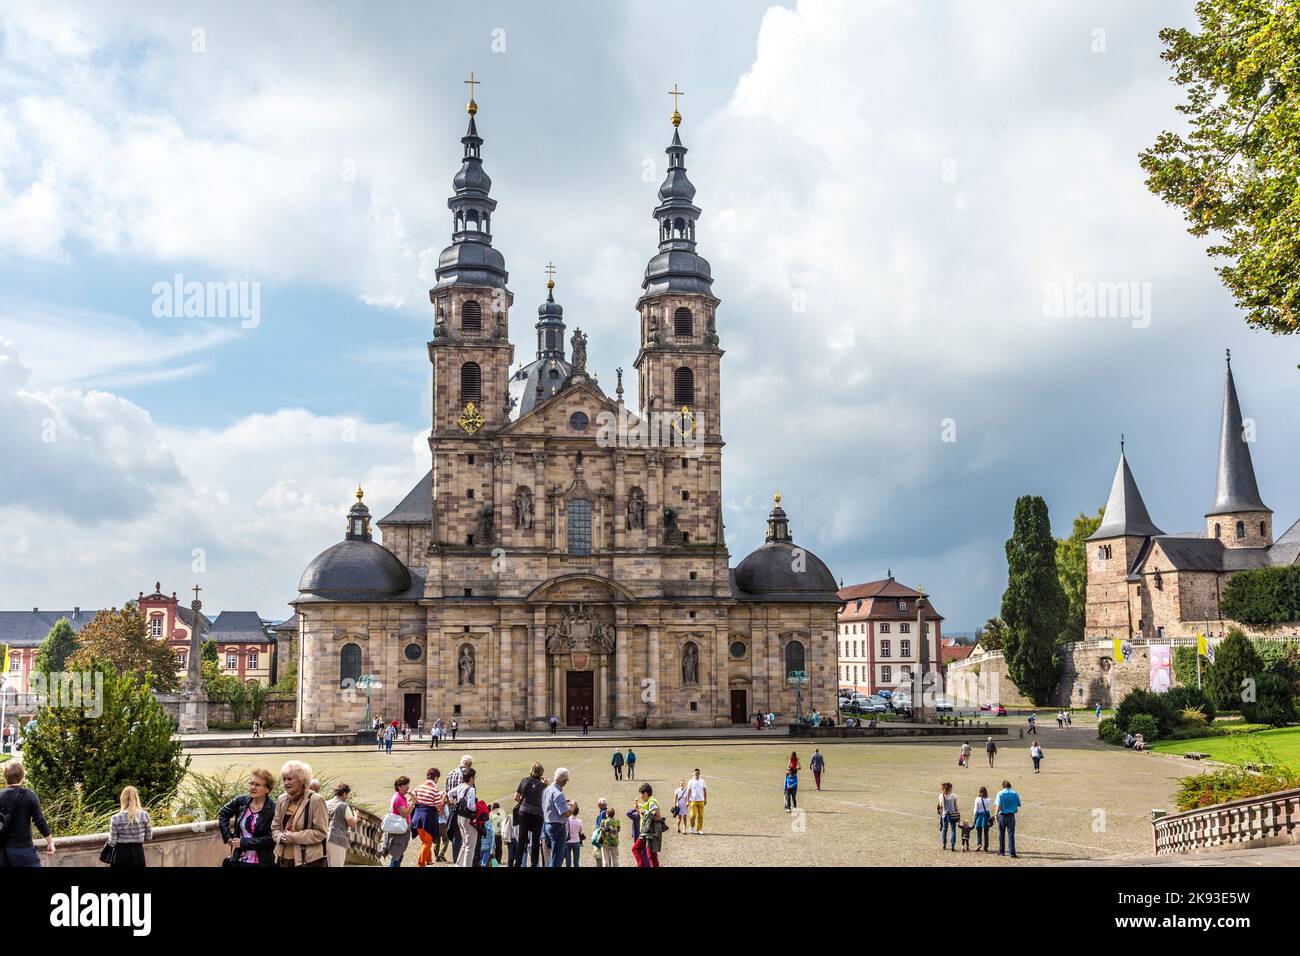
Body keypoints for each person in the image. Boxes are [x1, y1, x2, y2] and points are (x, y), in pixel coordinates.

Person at [272, 760, 329, 867]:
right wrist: (280, 837)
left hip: (309, 861)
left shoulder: (316, 800)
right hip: (282, 859)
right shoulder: (281, 799)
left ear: (301, 780)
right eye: (284, 779)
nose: (286, 783)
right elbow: (275, 827)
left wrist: (295, 837)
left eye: (290, 779)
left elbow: (321, 832)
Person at [218, 768, 275, 867]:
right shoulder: (241, 801)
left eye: (257, 785)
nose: (252, 787)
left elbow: (272, 838)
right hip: (238, 860)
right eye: (251, 783)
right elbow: (223, 813)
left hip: (261, 862)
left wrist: (243, 842)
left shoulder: (273, 808)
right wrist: (228, 837)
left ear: (267, 789)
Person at [0, 761, 53, 867]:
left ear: (5, 777)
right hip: (25, 850)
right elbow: (39, 821)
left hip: (4, 852)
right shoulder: (30, 796)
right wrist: (50, 842)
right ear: (22, 777)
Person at [513, 761, 546, 867]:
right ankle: (534, 863)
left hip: (524, 812)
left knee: (522, 838)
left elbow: (516, 797)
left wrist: (524, 803)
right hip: (537, 814)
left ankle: (517, 863)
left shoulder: (524, 781)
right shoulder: (543, 785)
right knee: (535, 840)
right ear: (541, 773)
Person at [410, 768, 443, 867]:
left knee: (425, 841)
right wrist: (443, 799)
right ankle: (420, 864)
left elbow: (412, 797)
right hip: (428, 818)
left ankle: (428, 859)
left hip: (417, 817)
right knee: (428, 842)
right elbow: (438, 806)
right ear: (436, 778)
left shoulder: (419, 786)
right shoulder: (434, 789)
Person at [443, 755, 473, 861]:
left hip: (452, 808)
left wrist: (452, 803)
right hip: (463, 810)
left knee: (456, 835)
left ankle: (456, 860)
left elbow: (446, 792)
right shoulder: (467, 775)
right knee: (465, 837)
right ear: (469, 765)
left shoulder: (450, 773)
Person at [543, 768, 572, 868]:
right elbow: (566, 813)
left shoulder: (547, 790)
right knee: (557, 859)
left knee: (561, 854)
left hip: (548, 824)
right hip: (557, 826)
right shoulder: (558, 794)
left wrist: (563, 803)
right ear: (563, 781)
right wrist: (574, 807)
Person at [449, 767, 479, 867]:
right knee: (470, 847)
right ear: (471, 778)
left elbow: (450, 793)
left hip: (459, 817)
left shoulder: (461, 786)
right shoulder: (471, 789)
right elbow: (471, 806)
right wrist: (478, 808)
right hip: (468, 818)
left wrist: (455, 803)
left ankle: (458, 864)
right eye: (474, 777)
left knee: (465, 844)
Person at [325, 783, 358, 868]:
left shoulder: (326, 803)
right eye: (347, 794)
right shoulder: (343, 806)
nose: (347, 797)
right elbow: (352, 824)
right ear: (344, 793)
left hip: (324, 839)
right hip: (337, 840)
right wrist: (356, 815)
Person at [382, 776, 412, 867]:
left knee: (398, 855)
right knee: (397, 856)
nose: (408, 787)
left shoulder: (400, 797)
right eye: (406, 785)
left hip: (400, 828)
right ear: (399, 786)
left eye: (408, 784)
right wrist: (413, 803)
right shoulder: (398, 798)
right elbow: (404, 814)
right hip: (399, 829)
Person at [631, 783, 663, 867]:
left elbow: (658, 816)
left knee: (635, 849)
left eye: (641, 794)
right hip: (650, 832)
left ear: (645, 794)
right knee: (652, 855)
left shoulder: (652, 802)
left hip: (649, 832)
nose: (641, 796)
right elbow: (648, 811)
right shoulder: (651, 801)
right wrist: (640, 808)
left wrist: (640, 811)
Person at [994, 779, 1020, 858]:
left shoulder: (1000, 793)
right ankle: (1012, 852)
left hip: (1002, 815)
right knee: (1011, 834)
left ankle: (1002, 851)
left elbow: (998, 805)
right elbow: (1018, 804)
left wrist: (995, 815)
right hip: (1011, 815)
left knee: (1001, 834)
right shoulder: (1015, 793)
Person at [594, 798, 620, 867]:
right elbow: (618, 829)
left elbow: (599, 829)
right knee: (615, 858)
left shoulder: (603, 821)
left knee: (605, 859)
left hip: (605, 842)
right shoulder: (617, 821)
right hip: (614, 842)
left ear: (607, 814)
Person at [936, 782, 959, 851]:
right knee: (953, 830)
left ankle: (944, 844)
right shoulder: (954, 796)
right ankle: (952, 845)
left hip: (944, 814)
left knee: (944, 829)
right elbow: (956, 806)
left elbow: (940, 806)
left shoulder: (941, 796)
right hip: (952, 814)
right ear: (950, 788)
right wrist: (957, 813)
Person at [685, 768, 707, 834]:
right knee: (693, 815)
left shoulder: (702, 781)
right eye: (695, 773)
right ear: (693, 774)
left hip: (701, 800)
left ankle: (699, 829)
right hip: (693, 801)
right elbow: (688, 791)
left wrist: (705, 799)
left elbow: (705, 790)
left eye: (698, 773)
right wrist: (687, 801)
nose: (697, 774)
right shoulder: (690, 781)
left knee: (701, 816)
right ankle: (691, 827)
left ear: (699, 774)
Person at [972, 786, 992, 852]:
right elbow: (988, 809)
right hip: (986, 816)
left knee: (979, 831)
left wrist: (974, 818)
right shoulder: (988, 799)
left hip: (979, 816)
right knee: (986, 832)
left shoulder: (977, 799)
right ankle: (986, 846)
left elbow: (975, 809)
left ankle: (979, 844)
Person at [565, 802, 585, 866]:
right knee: (576, 860)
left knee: (568, 859)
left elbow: (566, 830)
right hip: (576, 841)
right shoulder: (580, 821)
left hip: (568, 841)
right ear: (577, 812)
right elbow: (581, 832)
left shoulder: (567, 820)